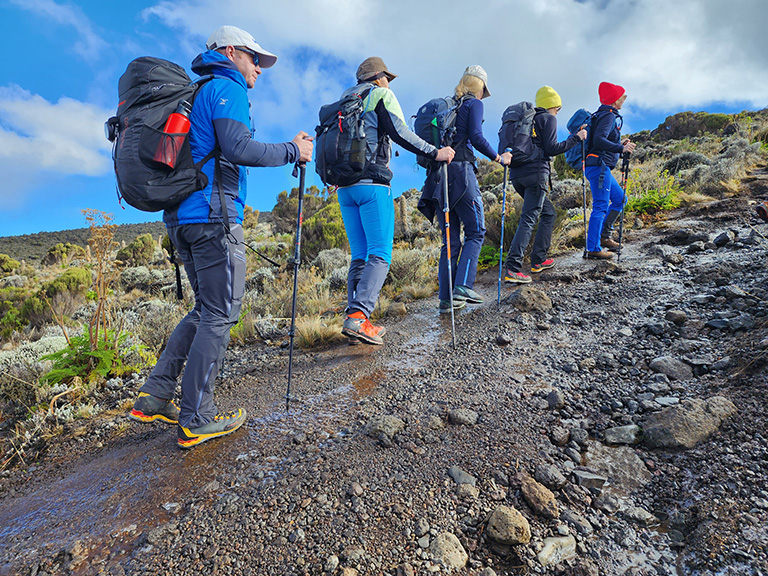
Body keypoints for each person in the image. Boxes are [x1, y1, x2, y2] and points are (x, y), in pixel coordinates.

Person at [129, 25, 313, 449]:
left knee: (205, 308)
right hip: (213, 216)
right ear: (230, 53)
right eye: (254, 59)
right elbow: (238, 148)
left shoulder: (193, 93)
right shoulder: (226, 88)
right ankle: (196, 417)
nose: (259, 70)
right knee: (220, 313)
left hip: (182, 219)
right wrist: (292, 150)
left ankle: (155, 395)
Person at [338, 57, 455, 345]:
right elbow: (401, 131)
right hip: (373, 185)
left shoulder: (344, 100)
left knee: (360, 255)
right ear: (378, 77)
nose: (389, 82)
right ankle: (358, 318)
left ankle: (355, 319)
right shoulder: (381, 95)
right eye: (387, 77)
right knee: (380, 254)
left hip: (344, 187)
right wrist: (435, 152)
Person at [419, 66, 511, 312]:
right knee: (476, 230)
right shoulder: (473, 104)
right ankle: (463, 287)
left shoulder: (450, 106)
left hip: (438, 177)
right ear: (479, 87)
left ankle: (446, 298)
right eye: (483, 90)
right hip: (461, 173)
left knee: (449, 241)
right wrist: (499, 158)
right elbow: (477, 137)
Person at [503, 86, 586, 284]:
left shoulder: (527, 119)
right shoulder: (548, 119)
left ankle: (538, 260)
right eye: (558, 106)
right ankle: (513, 268)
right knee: (529, 218)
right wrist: (577, 137)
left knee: (548, 212)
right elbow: (552, 148)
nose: (559, 110)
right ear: (552, 104)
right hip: (536, 175)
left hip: (517, 176)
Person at [584, 81, 636, 259]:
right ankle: (593, 248)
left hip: (600, 167)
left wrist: (618, 145)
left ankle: (604, 237)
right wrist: (621, 149)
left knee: (620, 199)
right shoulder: (608, 116)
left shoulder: (604, 114)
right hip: (598, 167)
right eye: (622, 96)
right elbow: (598, 140)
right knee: (600, 206)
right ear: (615, 100)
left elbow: (602, 141)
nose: (624, 99)